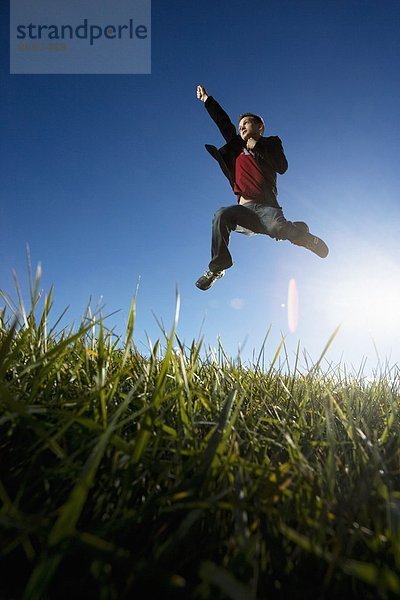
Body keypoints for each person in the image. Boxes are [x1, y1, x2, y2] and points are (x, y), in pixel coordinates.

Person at [195, 84, 329, 291]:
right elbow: (223, 123)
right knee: (222, 215)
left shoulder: (271, 143)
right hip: (244, 211)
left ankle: (304, 237)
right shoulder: (236, 146)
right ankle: (217, 267)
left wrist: (257, 147)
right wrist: (207, 100)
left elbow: (282, 167)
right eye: (240, 126)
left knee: (279, 229)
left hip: (267, 208)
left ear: (260, 126)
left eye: (246, 123)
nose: (242, 127)